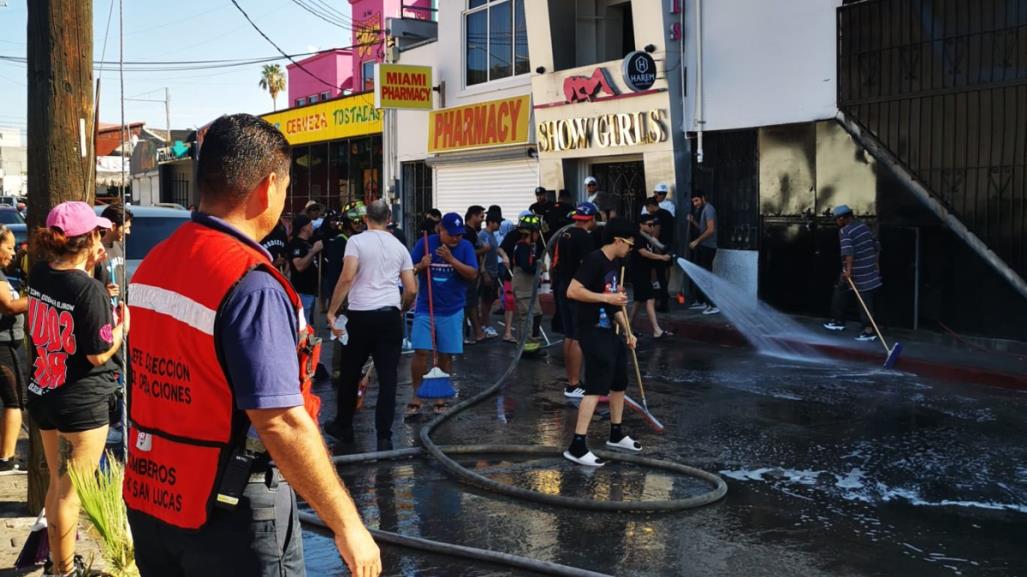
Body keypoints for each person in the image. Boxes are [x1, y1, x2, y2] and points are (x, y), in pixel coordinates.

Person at [124, 114, 380, 577]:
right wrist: (348, 525)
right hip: (229, 514)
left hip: (152, 498)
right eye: (285, 186)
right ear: (267, 187)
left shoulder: (157, 262)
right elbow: (279, 419)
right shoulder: (250, 284)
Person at [26, 202, 126, 576]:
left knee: (58, 486)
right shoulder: (91, 291)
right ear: (88, 239)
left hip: (44, 391)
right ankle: (63, 571)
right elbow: (99, 354)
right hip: (80, 403)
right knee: (71, 495)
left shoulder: (39, 273)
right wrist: (122, 328)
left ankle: (58, 564)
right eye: (98, 233)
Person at [325, 200, 416, 451]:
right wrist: (401, 307)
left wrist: (332, 311)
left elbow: (346, 277)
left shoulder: (356, 242)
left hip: (361, 315)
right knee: (389, 378)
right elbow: (411, 289)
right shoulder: (399, 247)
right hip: (389, 315)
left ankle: (344, 425)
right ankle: (384, 435)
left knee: (350, 373)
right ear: (388, 218)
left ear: (366, 218)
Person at [564, 218, 641, 467]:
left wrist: (629, 330)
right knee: (597, 385)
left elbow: (614, 303)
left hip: (610, 330)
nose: (630, 249)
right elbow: (573, 291)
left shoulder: (615, 263)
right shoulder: (594, 260)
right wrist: (606, 298)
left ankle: (616, 433)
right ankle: (577, 445)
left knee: (619, 381)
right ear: (618, 241)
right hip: (592, 330)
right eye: (629, 244)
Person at [406, 212, 478, 416]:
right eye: (452, 234)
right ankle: (417, 395)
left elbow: (472, 274)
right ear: (441, 230)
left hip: (452, 309)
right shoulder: (425, 243)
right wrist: (422, 265)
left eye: (459, 234)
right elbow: (408, 270)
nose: (456, 238)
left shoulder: (465, 247)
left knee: (446, 355)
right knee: (421, 352)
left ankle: (440, 397)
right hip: (425, 307)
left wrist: (451, 260)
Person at [551, 202, 597, 398]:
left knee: (569, 335)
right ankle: (574, 384)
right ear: (592, 219)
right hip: (576, 289)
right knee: (578, 336)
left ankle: (571, 381)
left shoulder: (565, 234)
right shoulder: (585, 238)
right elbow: (589, 266)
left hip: (562, 287)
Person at [823, 204, 883, 341]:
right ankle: (837, 320)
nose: (836, 222)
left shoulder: (846, 231)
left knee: (864, 301)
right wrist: (876, 264)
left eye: (837, 219)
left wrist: (849, 271)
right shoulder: (864, 227)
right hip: (869, 269)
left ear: (843, 218)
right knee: (840, 288)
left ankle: (868, 330)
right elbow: (877, 246)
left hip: (858, 272)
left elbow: (848, 253)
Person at [0, 225, 28, 475]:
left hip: (11, 342)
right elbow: (8, 305)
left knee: (17, 399)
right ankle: (6, 459)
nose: (13, 252)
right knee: (14, 400)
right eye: (8, 247)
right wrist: (35, 298)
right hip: (3, 345)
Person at [498, 214, 546, 351]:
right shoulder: (523, 247)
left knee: (536, 314)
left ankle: (531, 344)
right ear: (530, 233)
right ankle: (527, 347)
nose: (538, 235)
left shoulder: (528, 246)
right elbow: (526, 266)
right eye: (537, 232)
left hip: (528, 286)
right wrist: (539, 266)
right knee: (527, 316)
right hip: (523, 286)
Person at [630, 214, 673, 339]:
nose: (652, 227)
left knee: (638, 301)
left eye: (653, 225)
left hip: (644, 272)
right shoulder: (638, 236)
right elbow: (643, 253)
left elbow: (655, 249)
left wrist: (665, 252)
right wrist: (661, 257)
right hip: (638, 272)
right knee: (650, 298)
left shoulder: (648, 237)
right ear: (641, 225)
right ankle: (656, 330)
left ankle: (627, 328)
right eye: (649, 225)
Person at [687, 191, 719, 315]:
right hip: (703, 246)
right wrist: (693, 221)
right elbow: (703, 229)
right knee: (700, 274)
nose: (695, 204)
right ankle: (702, 302)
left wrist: (696, 241)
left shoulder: (709, 209)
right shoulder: (702, 210)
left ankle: (712, 304)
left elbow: (711, 230)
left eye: (697, 200)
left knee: (706, 274)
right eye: (693, 201)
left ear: (703, 198)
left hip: (708, 246)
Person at [288, 213, 324, 325]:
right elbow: (299, 266)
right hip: (302, 292)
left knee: (308, 323)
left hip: (310, 291)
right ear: (303, 228)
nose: (312, 227)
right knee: (304, 324)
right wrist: (314, 251)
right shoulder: (296, 244)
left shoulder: (307, 243)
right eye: (309, 225)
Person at [94, 204, 133, 301]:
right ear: (113, 226)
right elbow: (87, 288)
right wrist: (104, 293)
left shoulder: (120, 245)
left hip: (120, 311)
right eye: (125, 228)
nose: (128, 232)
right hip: (103, 311)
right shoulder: (95, 251)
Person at [643, 195, 675, 312]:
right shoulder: (668, 214)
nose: (648, 211)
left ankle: (663, 303)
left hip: (660, 248)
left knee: (660, 275)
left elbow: (656, 233)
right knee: (665, 274)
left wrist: (654, 243)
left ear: (651, 206)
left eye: (648, 208)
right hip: (669, 246)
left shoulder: (657, 216)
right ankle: (664, 299)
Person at [463, 205, 488, 343]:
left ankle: (477, 332)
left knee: (472, 303)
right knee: (467, 303)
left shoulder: (473, 232)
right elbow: (469, 253)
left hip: (474, 272)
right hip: (468, 273)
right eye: (481, 217)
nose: (482, 220)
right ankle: (465, 334)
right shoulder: (467, 233)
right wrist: (484, 250)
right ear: (473, 216)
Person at [478, 208, 503, 340]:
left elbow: (496, 249)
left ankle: (484, 323)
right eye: (498, 223)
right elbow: (481, 255)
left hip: (494, 272)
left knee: (491, 300)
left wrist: (504, 256)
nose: (499, 225)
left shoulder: (492, 235)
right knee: (485, 301)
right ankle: (484, 325)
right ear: (491, 222)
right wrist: (484, 272)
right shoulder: (483, 235)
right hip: (487, 272)